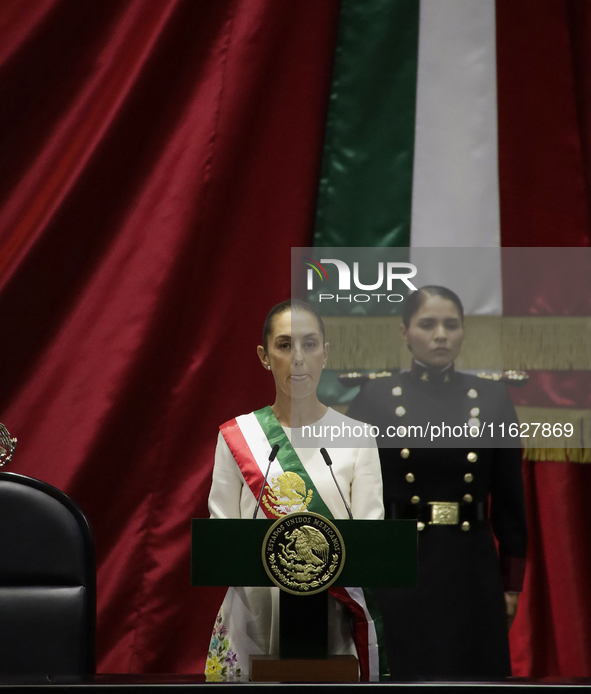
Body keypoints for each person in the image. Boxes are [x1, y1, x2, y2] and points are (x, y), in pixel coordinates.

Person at [347, 286, 527, 681]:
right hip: (397, 566)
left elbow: (511, 503)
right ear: (404, 332)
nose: (440, 335)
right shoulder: (373, 398)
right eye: (427, 324)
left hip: (470, 566)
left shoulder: (493, 398)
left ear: (464, 331)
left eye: (451, 324)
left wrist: (511, 586)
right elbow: (352, 500)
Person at [204, 299, 384, 682]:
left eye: (310, 344)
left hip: (332, 621)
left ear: (326, 353)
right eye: (284, 345)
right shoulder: (238, 437)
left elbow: (371, 540)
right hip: (254, 619)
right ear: (264, 356)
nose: (298, 357)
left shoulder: (358, 437)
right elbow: (223, 538)